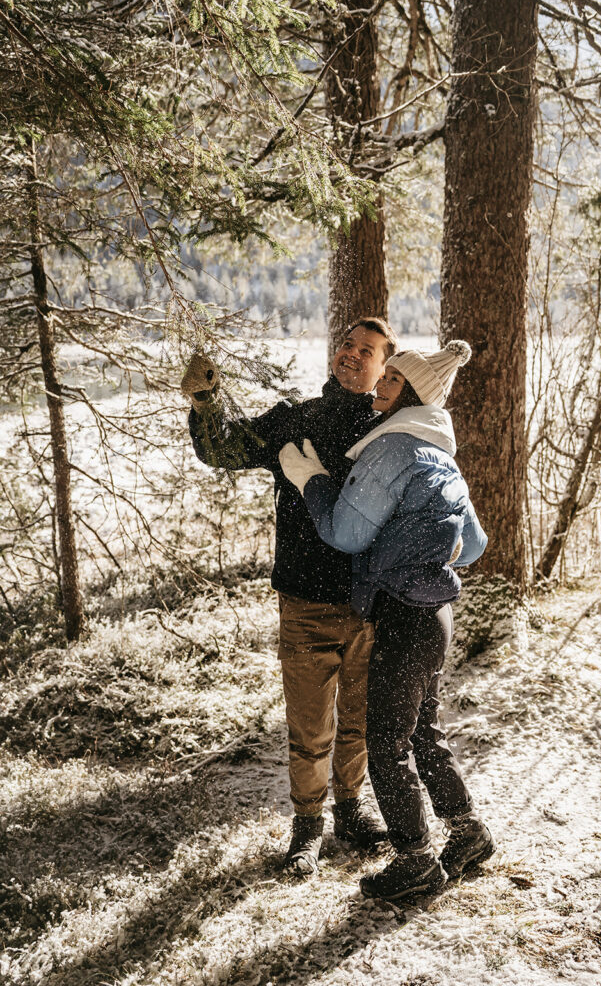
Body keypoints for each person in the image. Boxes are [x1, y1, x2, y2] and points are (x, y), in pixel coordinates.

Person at [278, 340, 494, 901]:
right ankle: (468, 833)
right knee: (424, 730)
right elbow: (473, 546)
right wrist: (421, 544)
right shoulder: (440, 456)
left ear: (413, 396)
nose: (380, 386)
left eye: (392, 380)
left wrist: (312, 481)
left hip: (399, 614)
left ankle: (417, 858)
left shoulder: (391, 450)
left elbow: (346, 534)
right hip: (436, 614)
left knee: (387, 743)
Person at [181, 318, 398, 876]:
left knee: (359, 720)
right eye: (347, 344)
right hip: (304, 603)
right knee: (310, 728)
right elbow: (224, 448)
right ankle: (308, 827)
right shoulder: (294, 419)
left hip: (371, 602)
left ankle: (351, 811)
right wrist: (207, 402)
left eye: (366, 351)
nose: (352, 355)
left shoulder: (393, 427)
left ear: (383, 367)